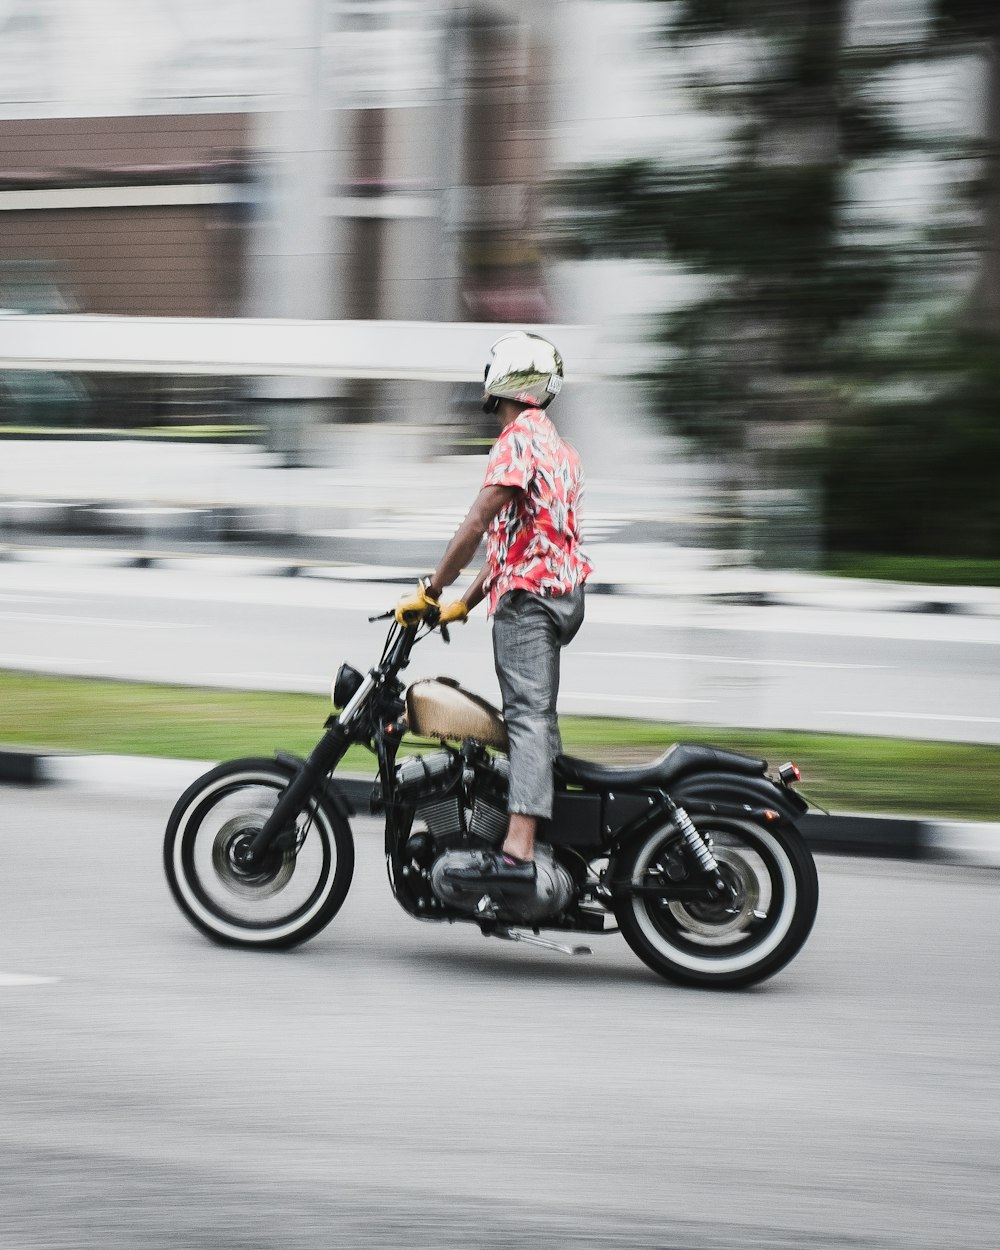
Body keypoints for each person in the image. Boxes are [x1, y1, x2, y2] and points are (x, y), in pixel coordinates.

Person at [395, 331, 592, 891]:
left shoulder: (516, 441)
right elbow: (518, 543)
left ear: (502, 379)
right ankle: (540, 824)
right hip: (561, 596)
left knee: (525, 716)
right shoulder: (560, 449)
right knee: (539, 718)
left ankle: (519, 848)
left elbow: (479, 523)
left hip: (529, 604)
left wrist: (431, 590)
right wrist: (464, 603)